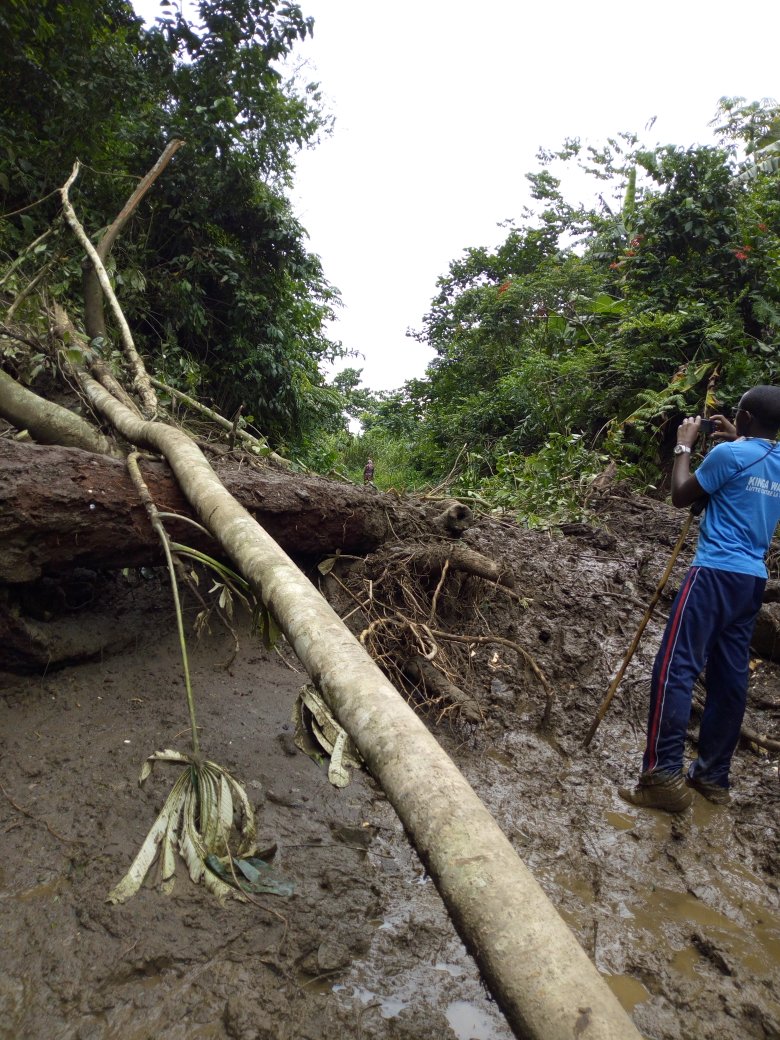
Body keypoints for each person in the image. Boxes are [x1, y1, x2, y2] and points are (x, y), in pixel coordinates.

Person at [620, 385, 780, 812]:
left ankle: (662, 776)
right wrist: (737, 438)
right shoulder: (771, 460)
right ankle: (712, 776)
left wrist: (683, 447)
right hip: (751, 581)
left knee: (676, 667)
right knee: (730, 678)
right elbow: (749, 477)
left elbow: (680, 495)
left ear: (744, 418)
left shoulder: (729, 456)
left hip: (712, 573)